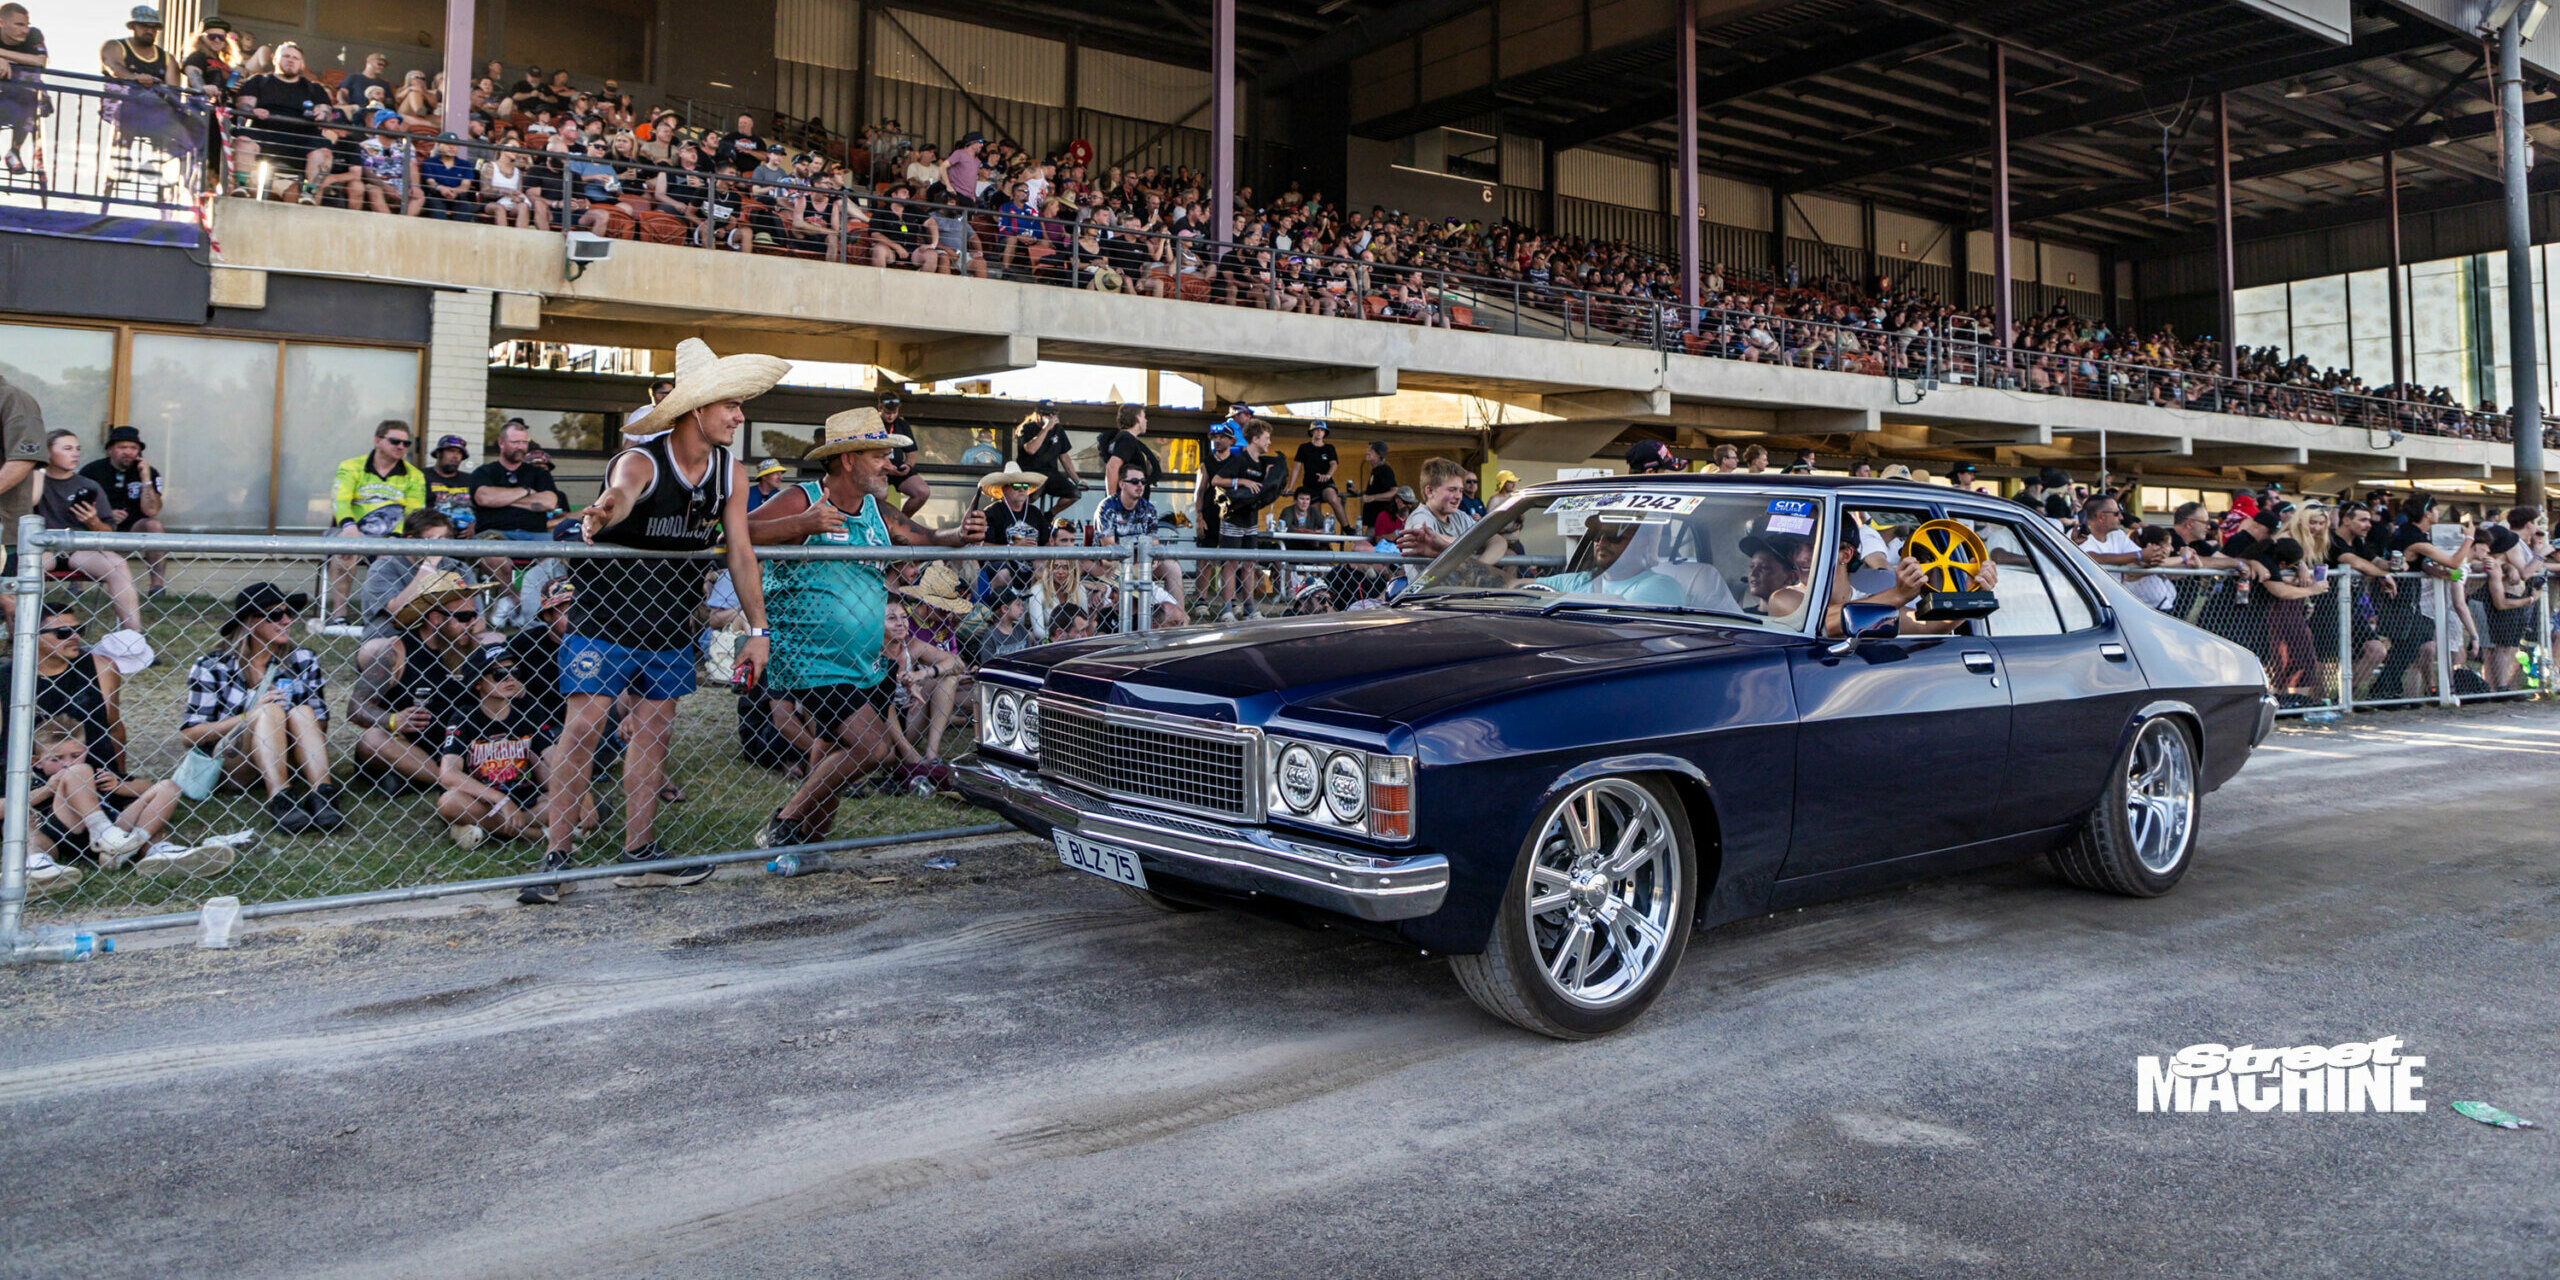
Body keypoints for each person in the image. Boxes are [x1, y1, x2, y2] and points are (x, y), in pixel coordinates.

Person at [525, 338, 786, 904]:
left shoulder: (730, 474)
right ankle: (555, 860)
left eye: (741, 406)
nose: (740, 417)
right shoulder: (642, 458)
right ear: (698, 409)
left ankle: (637, 854)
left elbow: (740, 553)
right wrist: (604, 509)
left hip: (669, 627)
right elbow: (621, 492)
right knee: (582, 733)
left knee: (653, 735)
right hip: (604, 623)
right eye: (731, 406)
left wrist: (757, 631)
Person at [745, 406, 985, 847]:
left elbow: (924, 538)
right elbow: (742, 531)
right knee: (870, 748)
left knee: (830, 750)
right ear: (848, 459)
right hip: (808, 656)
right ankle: (785, 820)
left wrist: (961, 535)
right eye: (878, 456)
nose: (889, 467)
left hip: (863, 659)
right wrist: (803, 524)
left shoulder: (876, 509)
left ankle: (810, 844)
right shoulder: (803, 497)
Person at [181, 583, 343, 832]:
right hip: (235, 763)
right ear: (249, 622)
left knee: (302, 711)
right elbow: (188, 736)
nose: (287, 620)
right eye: (275, 615)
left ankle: (323, 796)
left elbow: (319, 724)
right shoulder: (213, 666)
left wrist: (284, 717)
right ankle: (280, 800)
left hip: (287, 756)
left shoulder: (303, 659)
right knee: (268, 711)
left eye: (288, 612)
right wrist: (251, 716)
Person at [25, 713, 234, 886]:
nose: (66, 764)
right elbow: (11, 806)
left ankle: (156, 851)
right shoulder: (37, 781)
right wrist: (48, 789)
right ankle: (39, 865)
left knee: (168, 787)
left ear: (86, 751)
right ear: (37, 762)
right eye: (56, 759)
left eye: (75, 755)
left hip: (117, 832)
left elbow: (146, 788)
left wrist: (119, 786)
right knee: (30, 828)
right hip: (63, 830)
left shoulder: (97, 772)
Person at [352, 566, 496, 794]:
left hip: (460, 744)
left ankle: (445, 779)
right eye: (464, 617)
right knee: (372, 740)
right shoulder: (397, 650)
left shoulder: (474, 649)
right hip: (409, 746)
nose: (472, 624)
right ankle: (449, 781)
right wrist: (393, 720)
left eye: (474, 615)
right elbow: (356, 707)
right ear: (435, 618)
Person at [435, 643, 555, 850]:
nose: (510, 678)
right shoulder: (464, 717)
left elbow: (554, 756)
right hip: (483, 801)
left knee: (564, 800)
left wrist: (583, 795)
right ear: (478, 683)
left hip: (528, 800)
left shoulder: (529, 710)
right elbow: (448, 774)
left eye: (514, 671)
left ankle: (484, 829)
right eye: (499, 673)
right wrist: (501, 800)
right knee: (449, 802)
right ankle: (533, 834)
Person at [35, 430, 146, 637]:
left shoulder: (87, 485)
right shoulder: (33, 483)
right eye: (67, 449)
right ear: (47, 452)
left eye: (78, 449)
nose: (75, 454)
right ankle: (21, 637)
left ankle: (134, 637)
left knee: (118, 565)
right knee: (25, 567)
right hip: (43, 549)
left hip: (81, 550)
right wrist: (36, 472)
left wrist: (93, 521)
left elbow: (109, 531)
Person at [326, 419, 426, 625]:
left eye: (406, 444)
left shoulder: (414, 475)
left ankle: (386, 614)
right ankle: (339, 616)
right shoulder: (351, 466)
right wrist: (349, 526)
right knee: (345, 551)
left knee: (391, 556)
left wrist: (394, 537)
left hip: (393, 534)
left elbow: (414, 512)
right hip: (351, 529)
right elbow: (340, 499)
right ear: (378, 441)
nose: (401, 447)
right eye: (395, 441)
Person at [230, 41, 335, 202]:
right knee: (243, 140)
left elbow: (326, 112)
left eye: (295, 58)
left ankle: (309, 193)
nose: (291, 60)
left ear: (302, 64)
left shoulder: (315, 88)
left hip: (301, 140)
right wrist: (252, 111)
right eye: (286, 56)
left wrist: (322, 114)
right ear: (275, 59)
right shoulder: (258, 81)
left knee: (324, 152)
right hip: (264, 133)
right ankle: (241, 184)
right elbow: (244, 106)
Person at [78, 426, 166, 594]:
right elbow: (79, 507)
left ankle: (157, 586)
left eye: (133, 448)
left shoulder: (149, 472)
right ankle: (76, 585)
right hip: (99, 527)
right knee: (79, 523)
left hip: (133, 528)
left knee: (154, 525)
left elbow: (151, 511)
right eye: (122, 447)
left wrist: (146, 479)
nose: (128, 452)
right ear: (110, 449)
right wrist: (106, 515)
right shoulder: (91, 471)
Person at [1212, 419, 1283, 620]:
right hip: (1232, 518)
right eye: (1266, 438)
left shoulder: (1261, 463)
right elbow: (1216, 480)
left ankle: (1249, 606)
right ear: (1255, 438)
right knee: (1231, 563)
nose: (1269, 442)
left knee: (1250, 563)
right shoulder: (1239, 460)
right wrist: (1241, 481)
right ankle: (1227, 607)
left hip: (1250, 520)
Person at [469, 419, 562, 539]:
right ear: (501, 443)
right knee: (491, 550)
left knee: (561, 552)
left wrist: (501, 500)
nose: (521, 447)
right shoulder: (484, 472)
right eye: (515, 442)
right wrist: (526, 491)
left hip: (535, 536)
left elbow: (549, 503)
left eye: (524, 442)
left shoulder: (539, 473)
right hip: (495, 535)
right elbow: (484, 498)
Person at [1396, 457, 1476, 564]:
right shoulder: (1420, 517)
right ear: (1429, 491)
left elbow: (1496, 540)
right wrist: (1475, 543)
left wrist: (1481, 562)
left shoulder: (1460, 516)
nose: (1458, 496)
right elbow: (1428, 539)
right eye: (1452, 490)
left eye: (1461, 490)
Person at [1010, 398, 1082, 515]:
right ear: (1038, 414)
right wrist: (1046, 428)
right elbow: (1031, 449)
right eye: (1046, 414)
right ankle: (1020, 516)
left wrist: (1077, 480)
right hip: (1030, 473)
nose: (1050, 416)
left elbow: (1064, 456)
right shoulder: (1027, 428)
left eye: (1053, 414)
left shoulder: (1058, 429)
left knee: (1075, 494)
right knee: (1034, 494)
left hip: (1051, 473)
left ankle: (1049, 515)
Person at [0, 3, 45, 174]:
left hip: (21, 97)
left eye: (26, 24)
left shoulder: (34, 34)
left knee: (30, 101)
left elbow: (40, 61)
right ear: (1, 23)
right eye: (19, 25)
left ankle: (14, 151)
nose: (25, 30)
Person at [874, 394, 932, 517]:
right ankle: (876, 523)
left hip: (897, 468)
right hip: (876, 468)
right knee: (880, 495)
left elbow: (911, 452)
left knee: (923, 492)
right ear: (879, 408)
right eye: (887, 412)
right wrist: (885, 468)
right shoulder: (872, 424)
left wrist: (908, 466)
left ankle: (901, 522)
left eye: (894, 412)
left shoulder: (902, 424)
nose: (891, 416)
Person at [1288, 420, 1348, 531]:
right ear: (1311, 432)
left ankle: (1347, 527)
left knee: (1333, 497)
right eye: (1316, 429)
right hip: (1310, 485)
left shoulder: (1329, 448)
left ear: (1325, 433)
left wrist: (1328, 475)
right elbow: (1297, 467)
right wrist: (1290, 487)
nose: (1319, 432)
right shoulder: (1304, 448)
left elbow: (1334, 464)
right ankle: (1320, 540)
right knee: (1315, 514)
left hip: (1326, 483)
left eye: (1321, 430)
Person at [423, 434, 476, 534]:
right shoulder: (421, 476)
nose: (455, 456)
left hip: (467, 538)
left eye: (459, 453)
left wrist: (475, 527)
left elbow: (483, 511)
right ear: (438, 453)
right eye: (451, 451)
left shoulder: (471, 479)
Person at [1358, 440, 1398, 529]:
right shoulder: (1376, 470)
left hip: (1380, 523)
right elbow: (1378, 490)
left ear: (1379, 454)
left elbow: (1394, 491)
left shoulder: (1385, 470)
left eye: (1371, 450)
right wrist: (1359, 492)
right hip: (1373, 521)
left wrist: (1372, 498)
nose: (1367, 452)